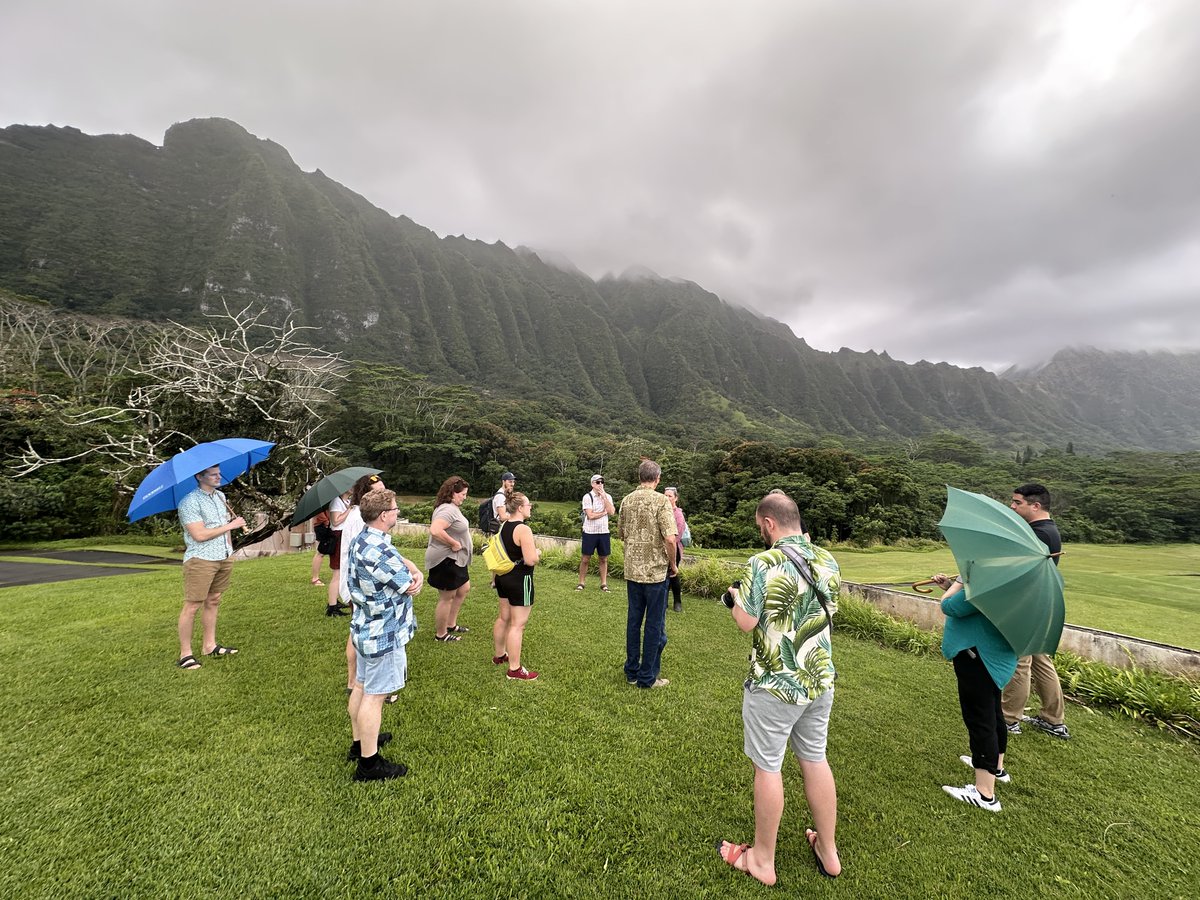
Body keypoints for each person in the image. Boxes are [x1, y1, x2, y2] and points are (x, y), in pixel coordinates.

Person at [717, 491, 842, 885]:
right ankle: (828, 851)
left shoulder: (762, 562)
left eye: (760, 528)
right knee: (815, 758)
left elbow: (746, 622)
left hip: (775, 683)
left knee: (768, 767)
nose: (761, 534)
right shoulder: (828, 559)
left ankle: (763, 861)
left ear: (769, 523)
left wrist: (734, 599)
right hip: (819, 680)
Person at [346, 488, 422, 782]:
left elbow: (402, 567)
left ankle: (359, 743)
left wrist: (411, 569)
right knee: (374, 697)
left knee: (362, 686)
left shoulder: (363, 539)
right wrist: (418, 575)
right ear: (384, 515)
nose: (398, 512)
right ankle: (369, 765)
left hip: (365, 626)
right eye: (395, 508)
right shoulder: (379, 550)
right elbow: (409, 585)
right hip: (384, 632)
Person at [932, 564, 1018, 813]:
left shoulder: (989, 579)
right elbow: (973, 605)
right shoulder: (1009, 577)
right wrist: (953, 586)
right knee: (993, 713)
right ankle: (996, 768)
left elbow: (950, 606)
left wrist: (959, 583)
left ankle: (985, 793)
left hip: (978, 657)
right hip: (996, 658)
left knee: (980, 719)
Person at [1002, 483, 1069, 739]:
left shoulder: (1039, 534)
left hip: (1029, 603)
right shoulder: (1044, 530)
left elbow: (1022, 571)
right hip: (1041, 602)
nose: (1012, 506)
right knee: (1040, 660)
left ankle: (1009, 719)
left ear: (1035, 505)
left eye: (1017, 502)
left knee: (1020, 661)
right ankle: (1053, 719)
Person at [175, 464, 246, 669]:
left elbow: (225, 530)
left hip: (223, 556)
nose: (218, 477)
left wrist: (229, 548)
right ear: (199, 476)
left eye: (219, 473)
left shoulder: (221, 497)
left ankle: (209, 645)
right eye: (213, 475)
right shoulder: (189, 502)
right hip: (201, 559)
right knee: (192, 605)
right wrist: (231, 525)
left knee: (214, 600)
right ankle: (185, 654)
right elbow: (199, 535)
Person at [618, 459, 677, 689]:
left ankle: (631, 671)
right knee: (654, 624)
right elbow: (671, 538)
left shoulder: (627, 500)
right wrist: (672, 564)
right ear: (658, 478)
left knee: (634, 621)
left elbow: (622, 534)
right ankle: (647, 677)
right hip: (655, 573)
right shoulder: (662, 501)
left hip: (633, 571)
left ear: (639, 477)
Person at [492, 492, 541, 680]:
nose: (530, 508)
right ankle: (514, 669)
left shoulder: (504, 525)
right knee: (518, 625)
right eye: (528, 505)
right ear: (520, 508)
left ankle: (499, 655)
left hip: (503, 578)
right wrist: (537, 553)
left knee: (503, 618)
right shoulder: (523, 529)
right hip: (520, 580)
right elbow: (530, 560)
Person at [426, 475, 473, 642]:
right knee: (447, 597)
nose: (464, 498)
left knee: (463, 588)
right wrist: (453, 543)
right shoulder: (446, 509)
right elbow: (436, 530)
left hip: (456, 559)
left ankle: (451, 624)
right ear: (453, 492)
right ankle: (441, 634)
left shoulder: (452, 507)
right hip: (446, 560)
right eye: (463, 494)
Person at [576, 474, 615, 593]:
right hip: (590, 531)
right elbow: (590, 515)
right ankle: (581, 582)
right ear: (592, 484)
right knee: (585, 558)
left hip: (603, 531)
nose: (600, 485)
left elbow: (612, 512)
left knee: (603, 558)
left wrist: (604, 498)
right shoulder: (587, 497)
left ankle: (604, 583)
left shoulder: (607, 496)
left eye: (602, 482)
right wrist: (604, 513)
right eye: (598, 482)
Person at [325, 486, 354, 616]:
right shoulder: (336, 501)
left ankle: (334, 601)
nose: (353, 488)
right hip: (338, 536)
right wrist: (349, 510)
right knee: (337, 572)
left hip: (344, 536)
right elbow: (335, 521)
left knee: (342, 571)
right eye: (351, 486)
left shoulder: (347, 501)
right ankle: (332, 607)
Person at [489, 472, 516, 588]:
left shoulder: (504, 495)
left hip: (502, 529)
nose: (512, 484)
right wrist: (515, 516)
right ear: (503, 481)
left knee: (500, 555)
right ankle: (495, 582)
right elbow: (502, 516)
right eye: (510, 481)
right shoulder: (500, 497)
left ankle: (495, 581)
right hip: (499, 530)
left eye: (513, 482)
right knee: (500, 555)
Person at [664, 486, 688, 613]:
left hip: (674, 548)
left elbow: (677, 536)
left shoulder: (678, 514)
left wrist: (667, 542)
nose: (667, 498)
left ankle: (677, 602)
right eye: (665, 495)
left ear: (676, 498)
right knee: (663, 576)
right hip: (662, 548)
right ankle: (664, 603)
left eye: (670, 496)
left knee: (673, 575)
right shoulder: (662, 510)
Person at [310, 509, 329, 586]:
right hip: (322, 526)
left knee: (321, 552)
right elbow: (318, 511)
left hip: (324, 524)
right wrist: (326, 521)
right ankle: (315, 578)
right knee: (320, 552)